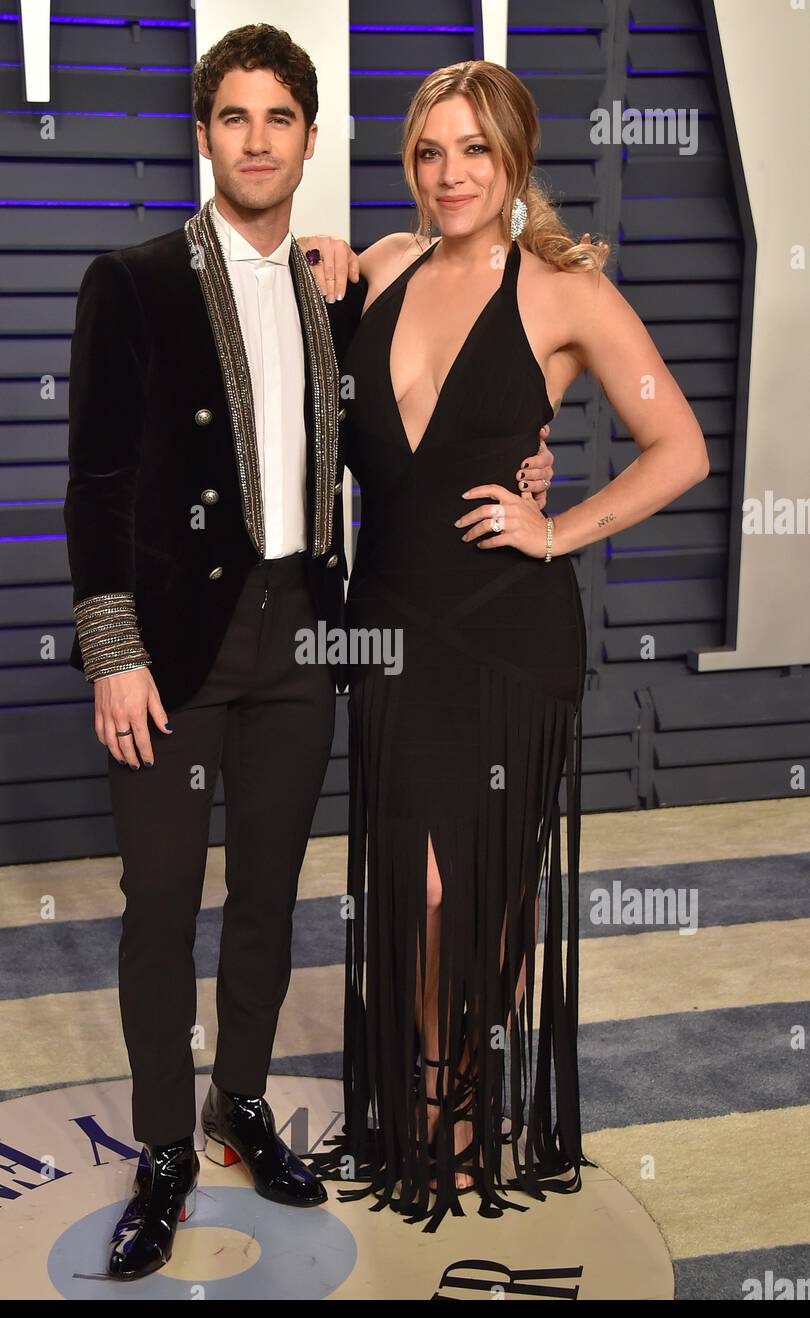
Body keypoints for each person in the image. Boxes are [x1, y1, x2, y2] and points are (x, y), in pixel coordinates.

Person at [63, 28, 556, 1278]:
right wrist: (113, 651)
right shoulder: (129, 281)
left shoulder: (343, 285)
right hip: (171, 654)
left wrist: (528, 468)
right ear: (204, 133)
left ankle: (239, 1105)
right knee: (163, 901)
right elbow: (98, 483)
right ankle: (166, 1147)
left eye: (279, 118)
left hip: (305, 635)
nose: (257, 140)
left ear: (309, 137)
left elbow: (437, 417)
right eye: (234, 118)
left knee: (272, 897)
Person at [300, 59, 710, 1233]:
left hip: (506, 634)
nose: (449, 173)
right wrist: (325, 259)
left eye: (473, 149)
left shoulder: (563, 292)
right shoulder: (380, 269)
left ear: (514, 157)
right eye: (428, 152)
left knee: (471, 891)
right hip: (391, 628)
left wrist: (557, 528)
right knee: (411, 887)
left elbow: (677, 445)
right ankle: (425, 1103)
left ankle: (465, 1110)